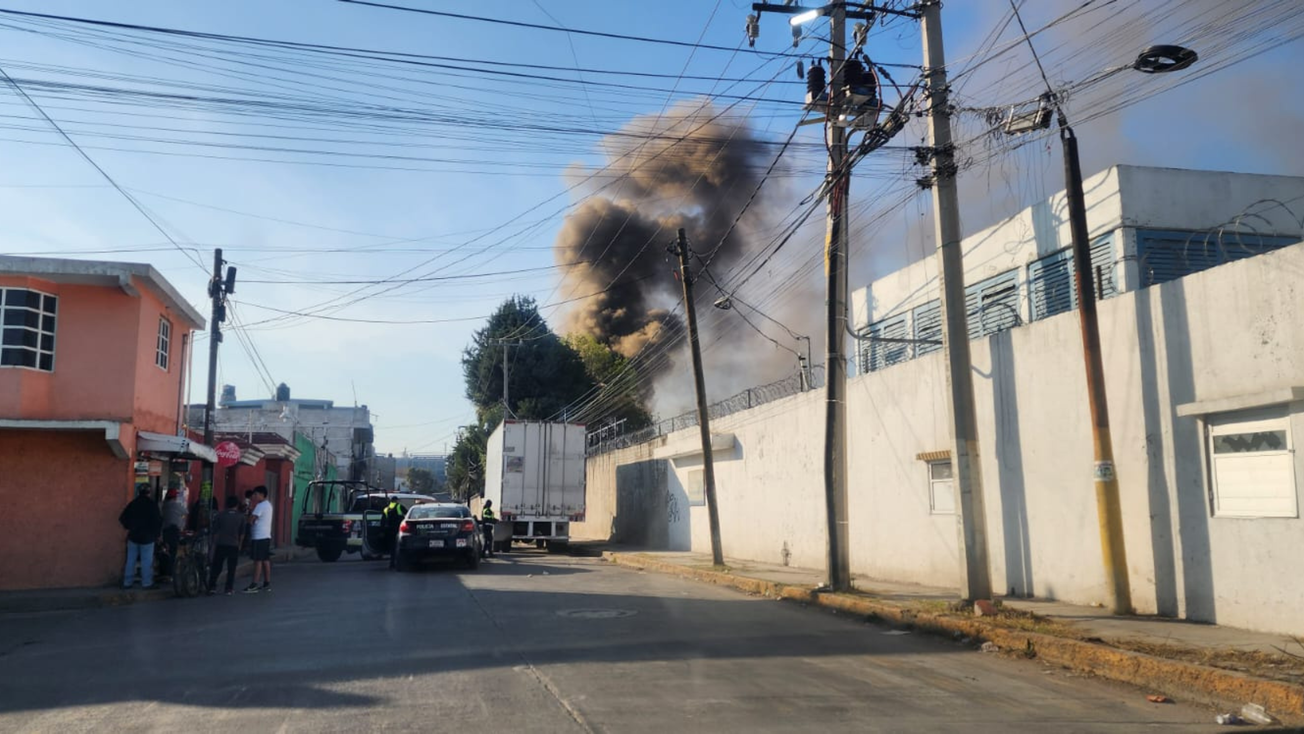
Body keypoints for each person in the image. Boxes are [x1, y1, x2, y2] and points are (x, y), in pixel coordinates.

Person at [119, 485, 162, 589]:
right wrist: (157, 535)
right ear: (149, 493)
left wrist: (129, 527)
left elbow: (122, 518)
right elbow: (158, 521)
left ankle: (127, 582)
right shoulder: (152, 505)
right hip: (147, 537)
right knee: (146, 561)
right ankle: (146, 582)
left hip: (133, 536)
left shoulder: (133, 504)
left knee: (130, 560)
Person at [208, 496, 245, 595]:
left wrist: (213, 544)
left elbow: (215, 532)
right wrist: (240, 545)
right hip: (234, 544)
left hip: (221, 543)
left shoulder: (220, 515)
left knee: (216, 567)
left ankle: (212, 586)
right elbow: (242, 534)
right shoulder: (241, 516)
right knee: (231, 568)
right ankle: (229, 588)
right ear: (237, 505)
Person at [242, 486, 274, 593]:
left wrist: (249, 515)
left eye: (256, 494)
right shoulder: (268, 505)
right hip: (265, 536)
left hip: (258, 536)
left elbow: (251, 520)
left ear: (261, 494)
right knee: (265, 560)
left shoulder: (260, 506)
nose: (254, 496)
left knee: (258, 561)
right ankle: (266, 583)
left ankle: (254, 584)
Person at [160, 488, 187, 579]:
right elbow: (186, 511)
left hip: (164, 531)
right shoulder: (175, 505)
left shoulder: (163, 505)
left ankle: (163, 571)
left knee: (165, 551)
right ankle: (170, 572)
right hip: (174, 531)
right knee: (172, 551)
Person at [382, 496, 404, 569]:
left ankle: (392, 563)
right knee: (398, 546)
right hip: (397, 530)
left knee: (392, 547)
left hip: (388, 530)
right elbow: (407, 515)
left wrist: (382, 531)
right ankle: (398, 563)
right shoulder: (399, 506)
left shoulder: (386, 509)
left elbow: (382, 521)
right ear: (396, 500)